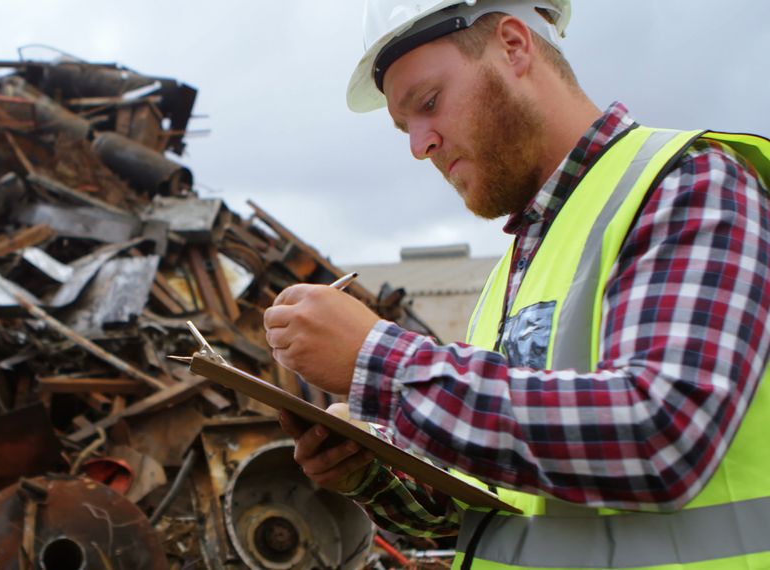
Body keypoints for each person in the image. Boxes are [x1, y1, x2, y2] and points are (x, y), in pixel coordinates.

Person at [262, 1, 770, 568]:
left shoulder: (691, 187)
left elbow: (663, 440)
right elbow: (501, 506)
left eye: (428, 104)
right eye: (407, 127)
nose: (419, 146)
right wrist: (374, 470)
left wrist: (379, 362)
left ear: (513, 45)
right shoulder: (523, 260)